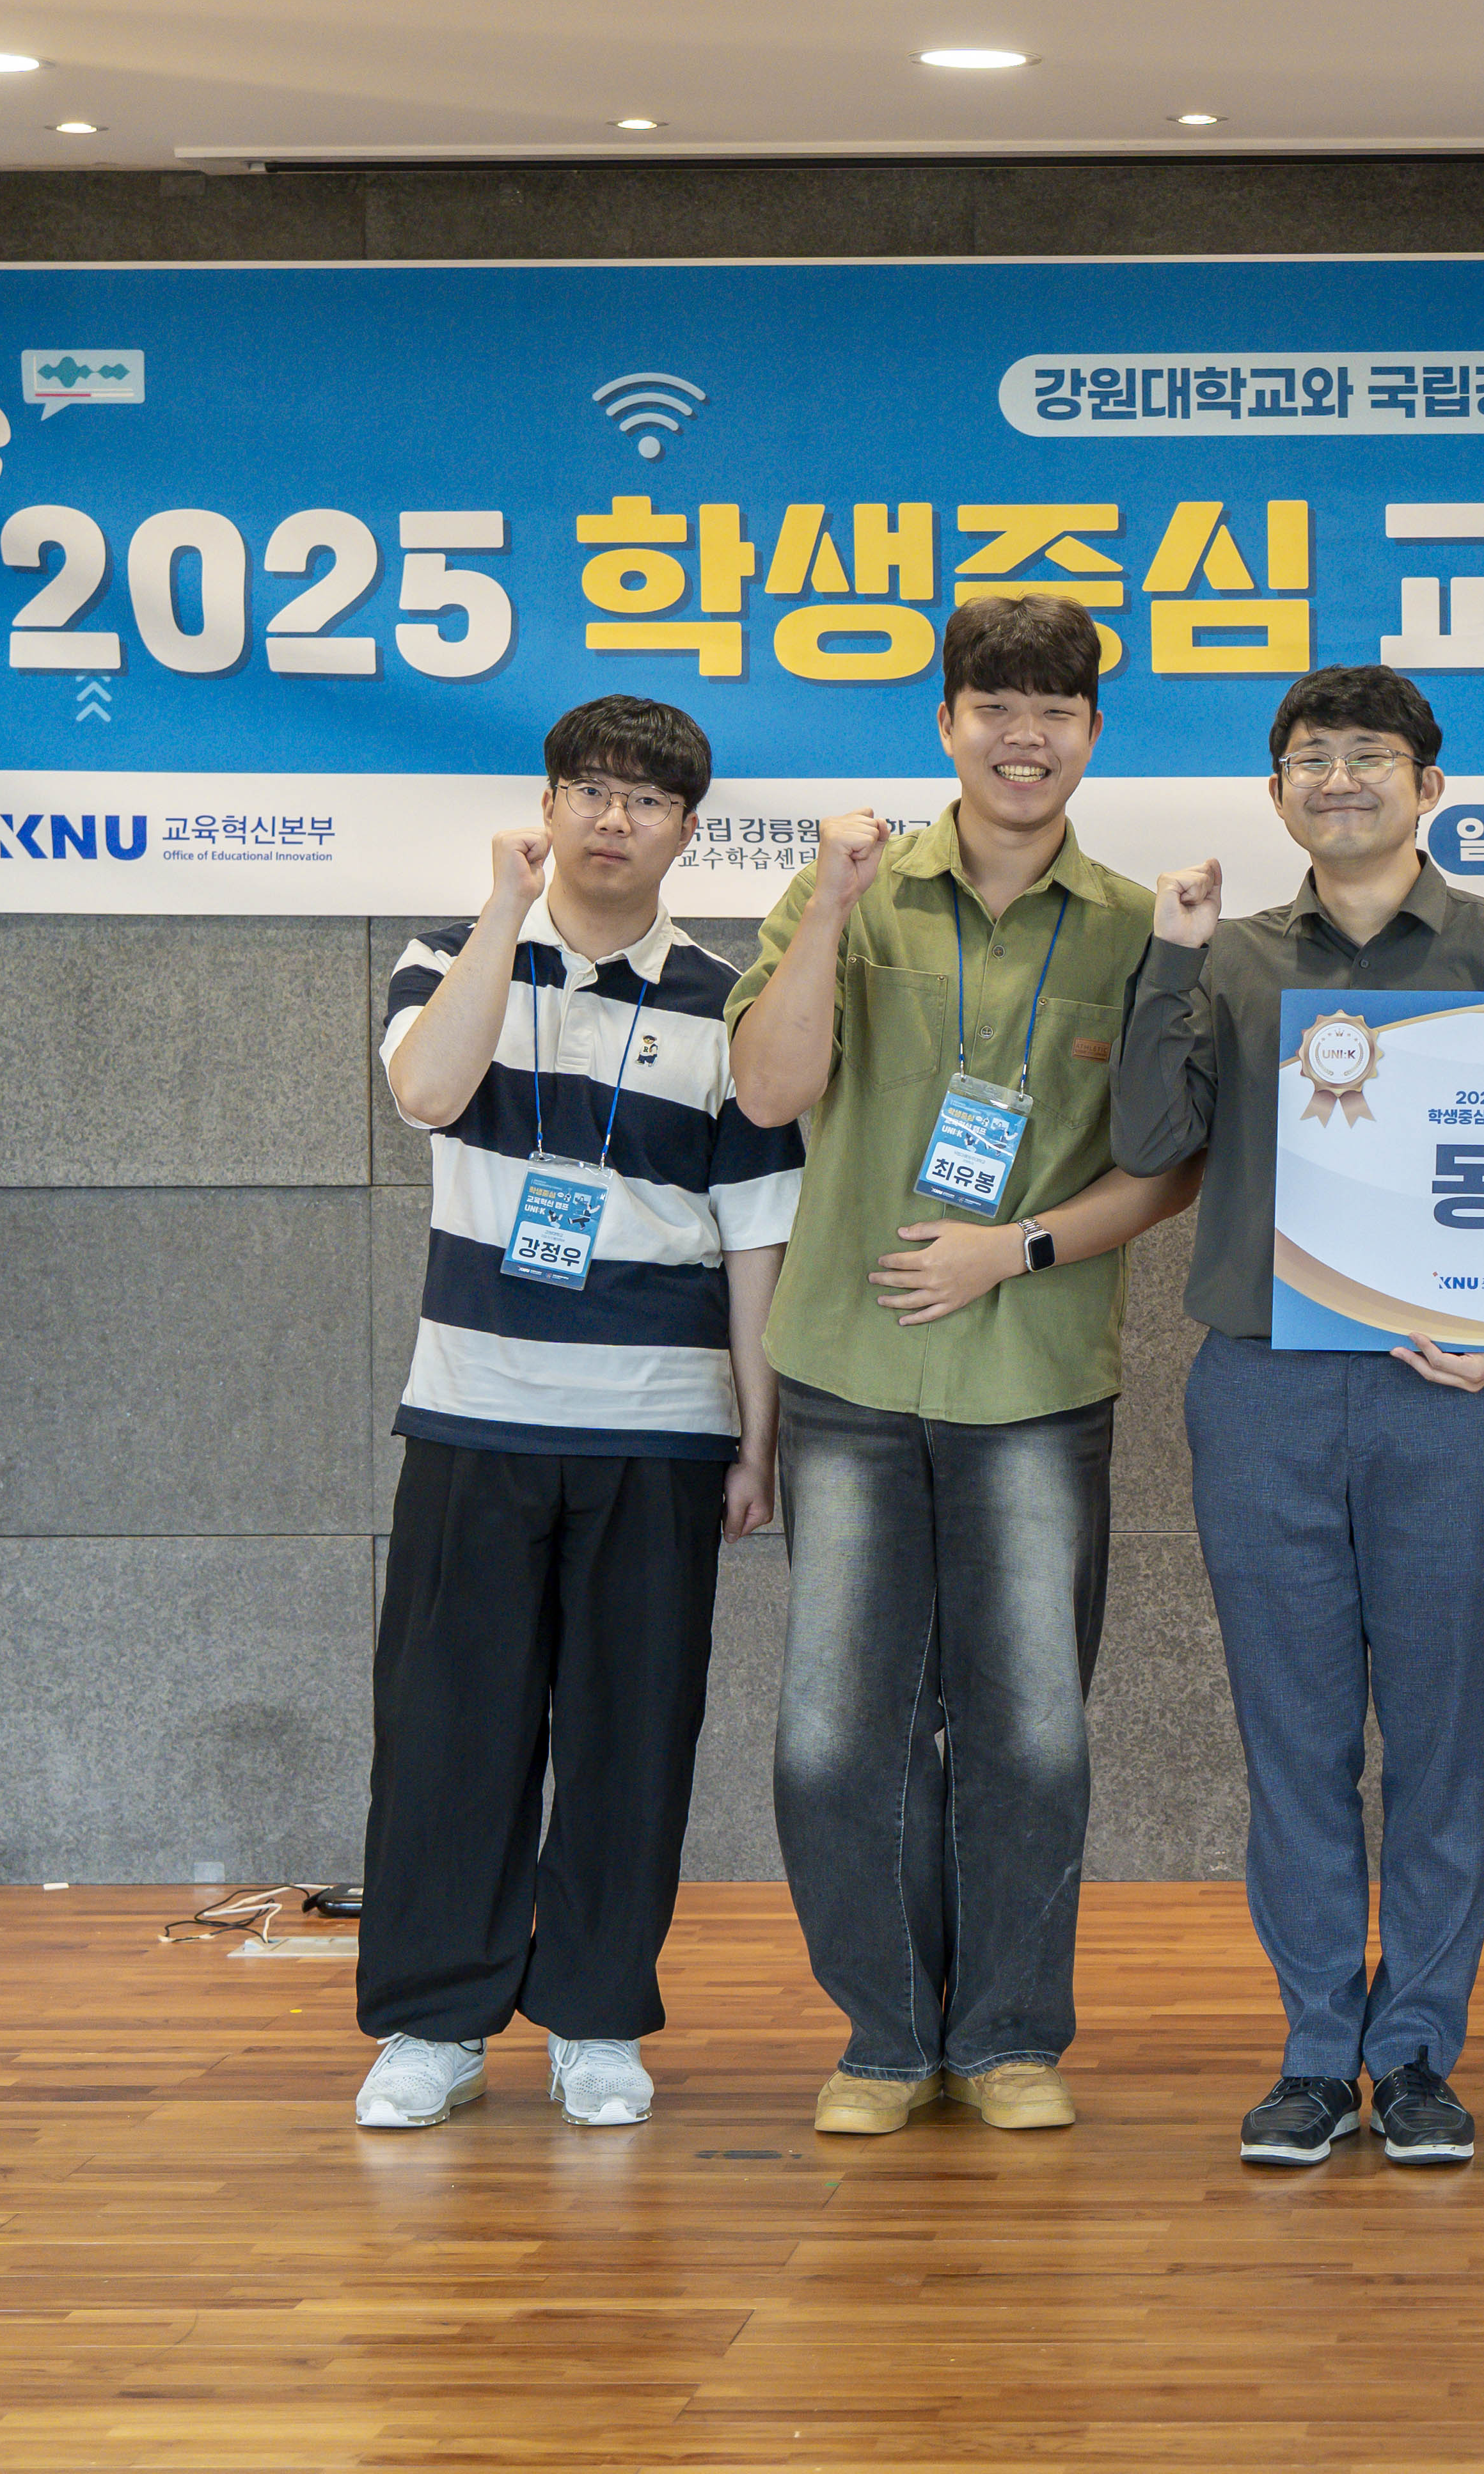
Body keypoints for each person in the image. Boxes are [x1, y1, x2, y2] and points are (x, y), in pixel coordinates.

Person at [725, 594, 1200, 2137]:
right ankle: (882, 2036)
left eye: (1055, 707)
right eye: (996, 703)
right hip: (852, 1371)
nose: (1024, 733)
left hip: (1036, 1381)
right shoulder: (852, 893)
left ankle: (1003, 2035)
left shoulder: (1133, 925)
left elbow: (1168, 1163)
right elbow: (769, 1088)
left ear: (1093, 733)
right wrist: (826, 905)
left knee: (1030, 1735)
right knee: (834, 1736)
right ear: (946, 723)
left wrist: (1017, 1248)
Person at [1112, 663, 1484, 2169]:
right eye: (1310, 758)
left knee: (1441, 1738)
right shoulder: (1232, 954)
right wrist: (1171, 958)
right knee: (1294, 1739)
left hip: (1451, 1390)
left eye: (1370, 755)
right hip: (1262, 1384)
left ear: (1429, 785)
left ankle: (1419, 2049)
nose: (1339, 778)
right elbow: (1148, 1138)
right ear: (1276, 794)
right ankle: (1318, 2049)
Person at [353, 695, 798, 2130]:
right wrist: (506, 911)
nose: (616, 818)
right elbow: (428, 1093)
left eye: (648, 799)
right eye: (590, 789)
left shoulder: (727, 1001)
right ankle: (434, 2021)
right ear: (547, 806)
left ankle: (598, 2015)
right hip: (474, 1414)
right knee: (449, 1732)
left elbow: (756, 1237)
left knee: (631, 1735)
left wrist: (756, 1438)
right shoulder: (450, 956)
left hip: (658, 1428)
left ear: (688, 829)